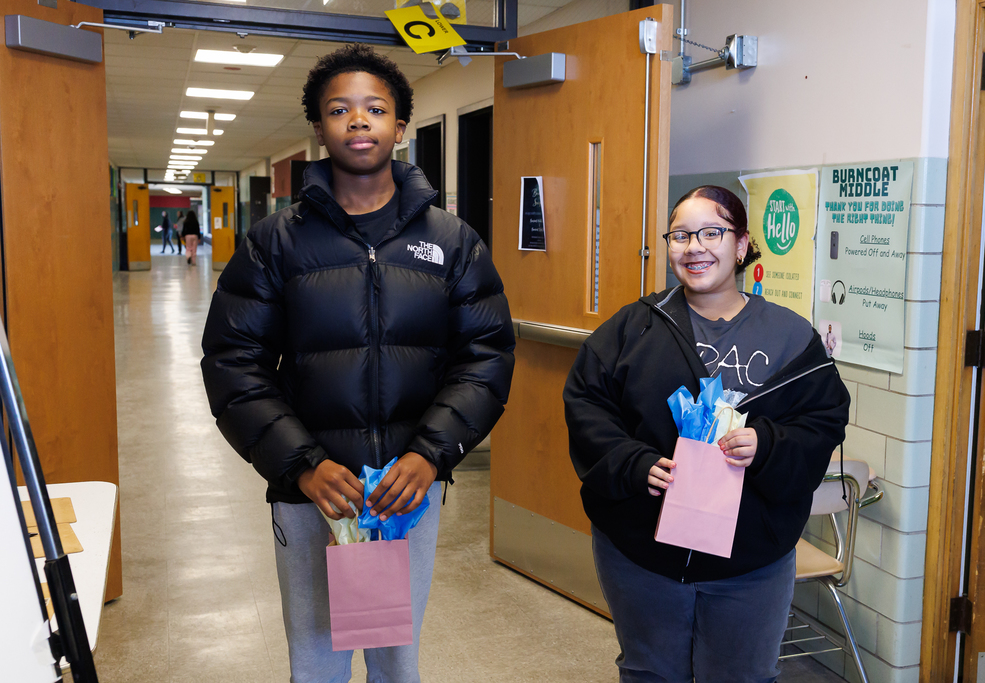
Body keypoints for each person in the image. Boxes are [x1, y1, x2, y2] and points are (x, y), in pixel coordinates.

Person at [201, 44, 515, 683]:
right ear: (318, 127)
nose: (359, 121)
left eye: (376, 109)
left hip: (407, 490)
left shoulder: (451, 241)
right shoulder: (275, 242)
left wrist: (430, 453)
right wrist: (302, 466)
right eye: (339, 109)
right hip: (313, 494)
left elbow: (485, 355)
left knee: (398, 663)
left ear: (400, 126)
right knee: (316, 663)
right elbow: (235, 362)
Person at [563, 185, 850, 683]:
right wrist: (633, 462)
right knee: (650, 672)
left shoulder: (789, 337)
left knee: (742, 676)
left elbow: (824, 420)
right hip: (643, 552)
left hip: (751, 560)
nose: (694, 246)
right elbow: (587, 404)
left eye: (711, 232)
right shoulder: (634, 328)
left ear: (741, 246)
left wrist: (767, 444)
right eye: (680, 235)